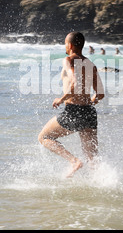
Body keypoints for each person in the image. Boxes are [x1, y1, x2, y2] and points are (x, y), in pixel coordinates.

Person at [38, 32, 105, 178]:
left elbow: (75, 83)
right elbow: (100, 93)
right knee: (92, 159)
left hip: (73, 111)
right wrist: (89, 103)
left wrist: (61, 99)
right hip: (89, 113)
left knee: (44, 137)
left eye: (65, 44)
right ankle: (102, 183)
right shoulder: (90, 64)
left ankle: (74, 161)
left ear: (70, 45)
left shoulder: (68, 60)